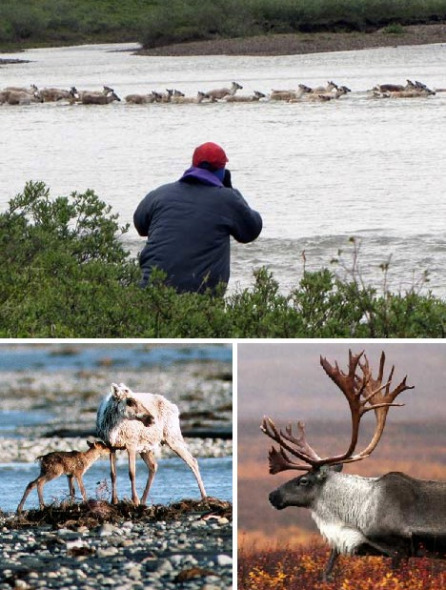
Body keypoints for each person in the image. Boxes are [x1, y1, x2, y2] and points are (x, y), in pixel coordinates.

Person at [133, 141, 263, 294]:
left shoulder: (160, 194)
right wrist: (231, 191)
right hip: (197, 299)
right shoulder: (227, 199)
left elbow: (140, 224)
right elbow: (251, 230)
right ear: (222, 170)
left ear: (193, 166)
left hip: (149, 292)